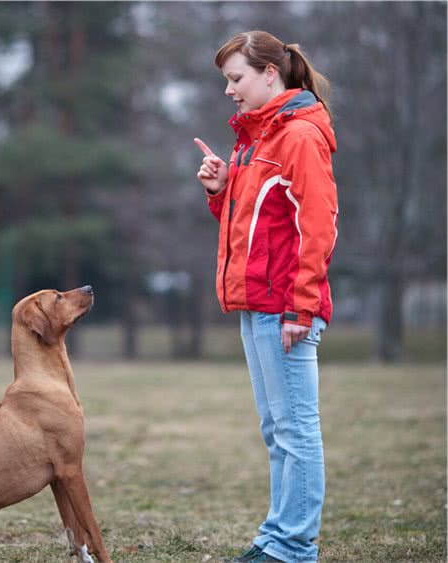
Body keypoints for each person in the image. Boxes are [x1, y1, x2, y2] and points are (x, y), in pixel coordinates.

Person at [194, 31, 338, 563]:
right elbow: (254, 225)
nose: (230, 91)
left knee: (297, 431)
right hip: (257, 306)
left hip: (286, 309)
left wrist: (302, 307)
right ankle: (277, 536)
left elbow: (318, 227)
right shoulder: (254, 138)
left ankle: (294, 547)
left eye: (236, 79)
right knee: (277, 431)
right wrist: (220, 188)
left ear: (270, 74)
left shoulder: (298, 136)